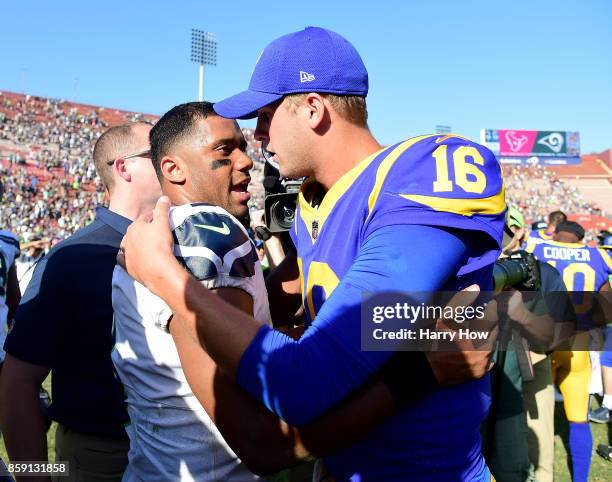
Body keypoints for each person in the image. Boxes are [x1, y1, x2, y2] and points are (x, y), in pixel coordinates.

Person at [120, 27, 505, 480]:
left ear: (313, 109)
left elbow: (305, 382)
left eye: (265, 116)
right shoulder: (312, 203)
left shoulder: (419, 174)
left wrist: (164, 275)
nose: (258, 136)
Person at [0, 122, 161, 482]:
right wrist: (34, 478)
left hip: (181, 447)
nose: (171, 159)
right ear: (124, 167)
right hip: (102, 455)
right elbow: (17, 383)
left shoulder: (180, 241)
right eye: (157, 152)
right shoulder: (71, 258)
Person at [526, 220, 612, 482]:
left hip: (542, 343)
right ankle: (581, 480)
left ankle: (535, 474)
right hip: (578, 345)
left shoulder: (536, 246)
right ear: (580, 238)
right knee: (578, 418)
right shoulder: (598, 255)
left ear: (554, 232)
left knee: (533, 417)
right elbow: (607, 307)